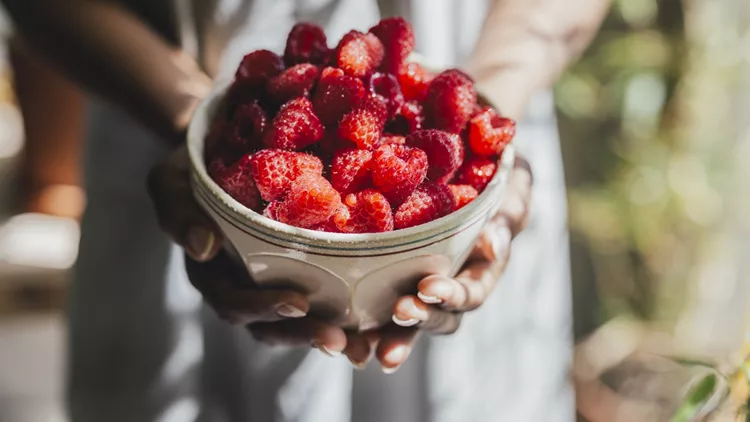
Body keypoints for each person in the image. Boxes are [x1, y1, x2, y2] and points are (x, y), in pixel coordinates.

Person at [2, 0, 611, 421]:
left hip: (486, 61)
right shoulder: (275, 133)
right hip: (151, 93)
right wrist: (189, 121)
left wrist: (495, 93)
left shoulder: (436, 129)